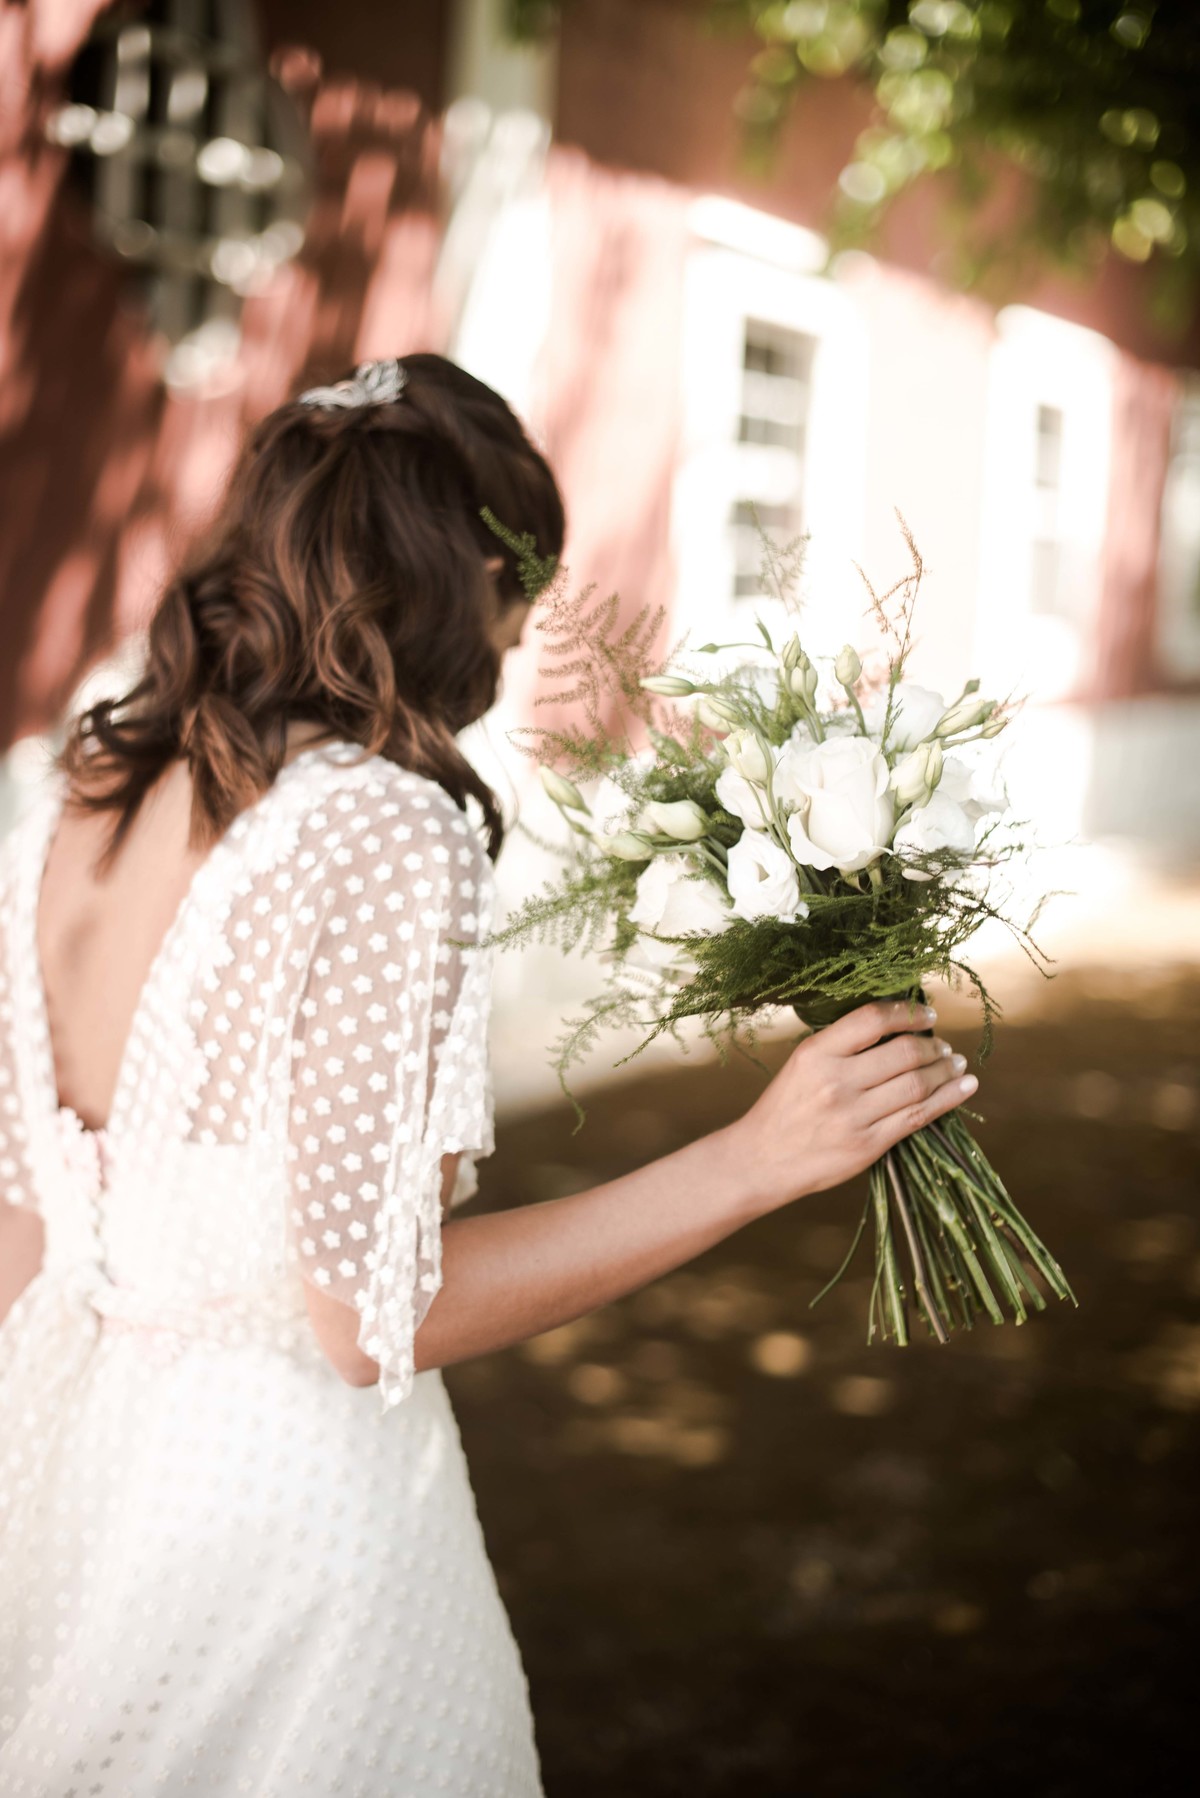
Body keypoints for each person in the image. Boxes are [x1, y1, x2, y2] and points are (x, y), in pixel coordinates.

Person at [0, 354, 978, 1796]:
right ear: (459, 580)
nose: (522, 642)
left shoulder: (70, 795)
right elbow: (364, 1318)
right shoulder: (386, 830)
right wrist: (755, 1158)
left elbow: (23, 1229)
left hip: (69, 1486)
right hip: (286, 1549)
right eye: (522, 589)